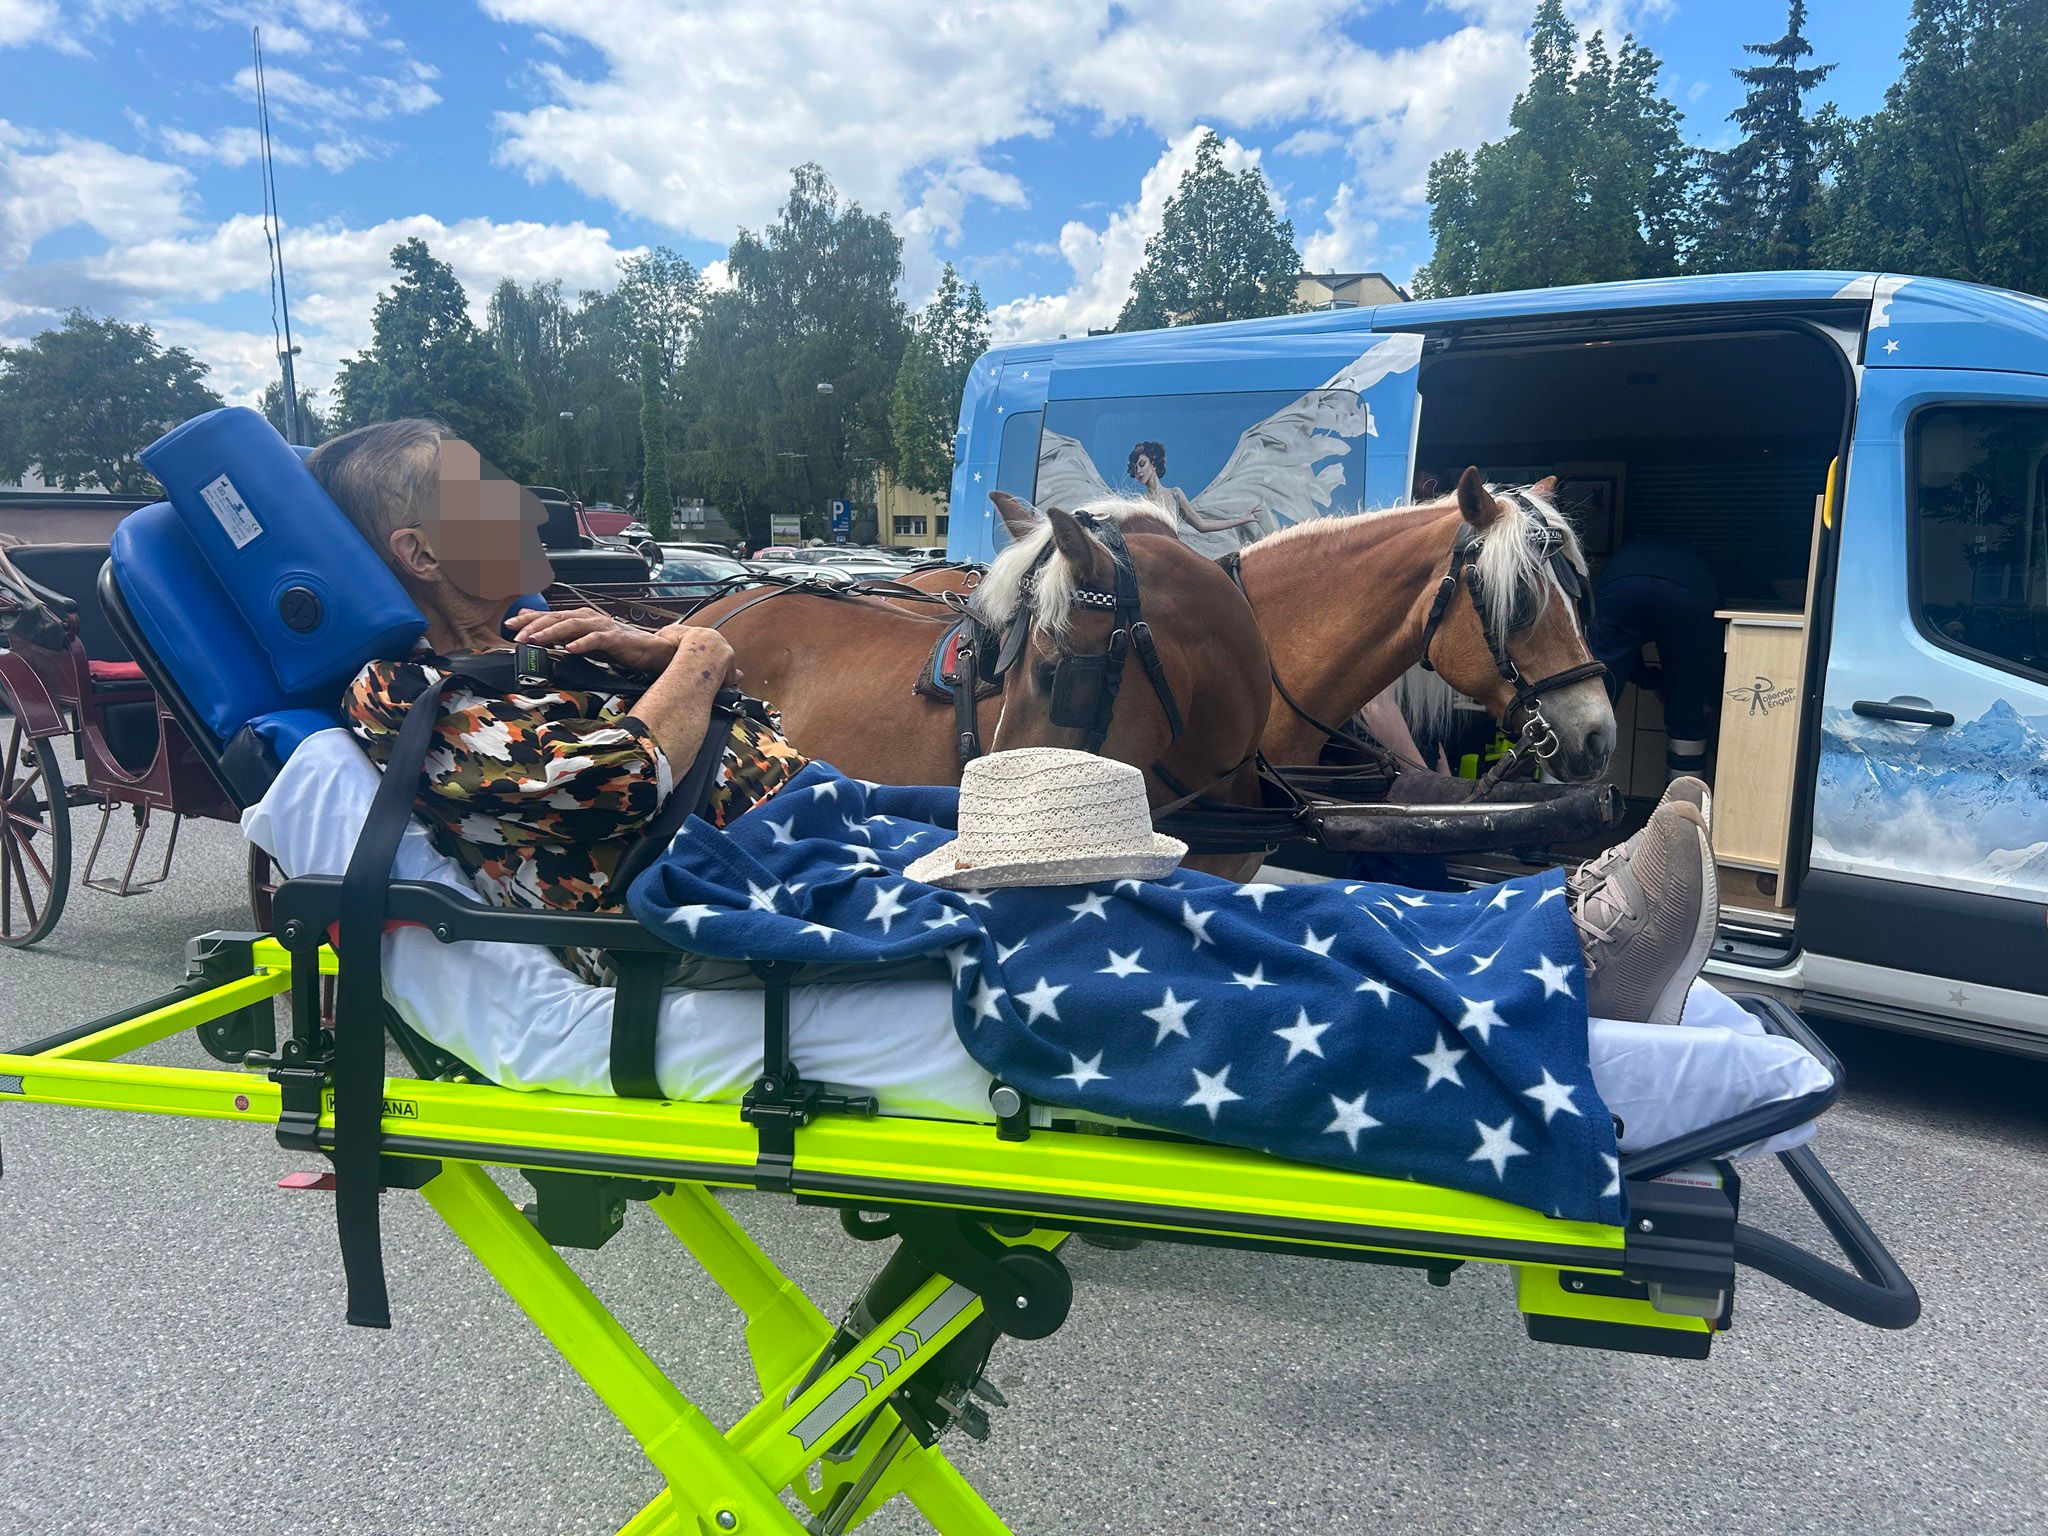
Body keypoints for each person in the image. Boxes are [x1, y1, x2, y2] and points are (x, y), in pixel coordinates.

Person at [307, 419, 808, 930]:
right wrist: (700, 652)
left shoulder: (531, 644)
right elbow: (624, 780)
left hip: (798, 831)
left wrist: (657, 658)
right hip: (721, 898)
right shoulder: (400, 693)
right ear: (422, 553)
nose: (531, 511)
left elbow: (745, 716)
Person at [1588, 534, 1724, 782]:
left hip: (1622, 582)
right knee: (1687, 711)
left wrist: (1649, 679)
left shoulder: (1632, 550)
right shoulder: (1699, 559)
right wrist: (1681, 690)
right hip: (1691, 588)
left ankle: (1558, 805)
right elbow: (1704, 660)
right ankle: (1684, 805)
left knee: (1590, 701)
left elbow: (1620, 652)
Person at [1128, 441, 1260, 548]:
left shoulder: (1175, 494)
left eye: (1141, 464)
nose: (1138, 471)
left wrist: (1240, 520)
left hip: (1176, 553)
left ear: (1154, 463)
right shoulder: (1140, 503)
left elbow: (1201, 525)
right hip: (1154, 556)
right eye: (1135, 468)